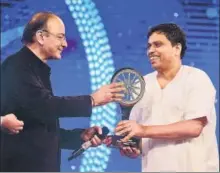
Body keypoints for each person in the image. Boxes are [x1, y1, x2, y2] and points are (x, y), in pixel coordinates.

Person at [0, 12, 124, 172]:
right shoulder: (17, 66)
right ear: (41, 37)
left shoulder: (35, 69)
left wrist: (79, 137)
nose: (65, 44)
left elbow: (38, 129)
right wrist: (92, 100)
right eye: (60, 37)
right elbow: (44, 105)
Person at [110, 23, 219, 172]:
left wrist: (142, 130)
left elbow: (194, 127)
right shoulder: (142, 84)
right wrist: (134, 147)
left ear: (177, 49)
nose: (151, 51)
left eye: (158, 45)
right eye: (149, 46)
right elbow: (141, 137)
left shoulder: (196, 78)